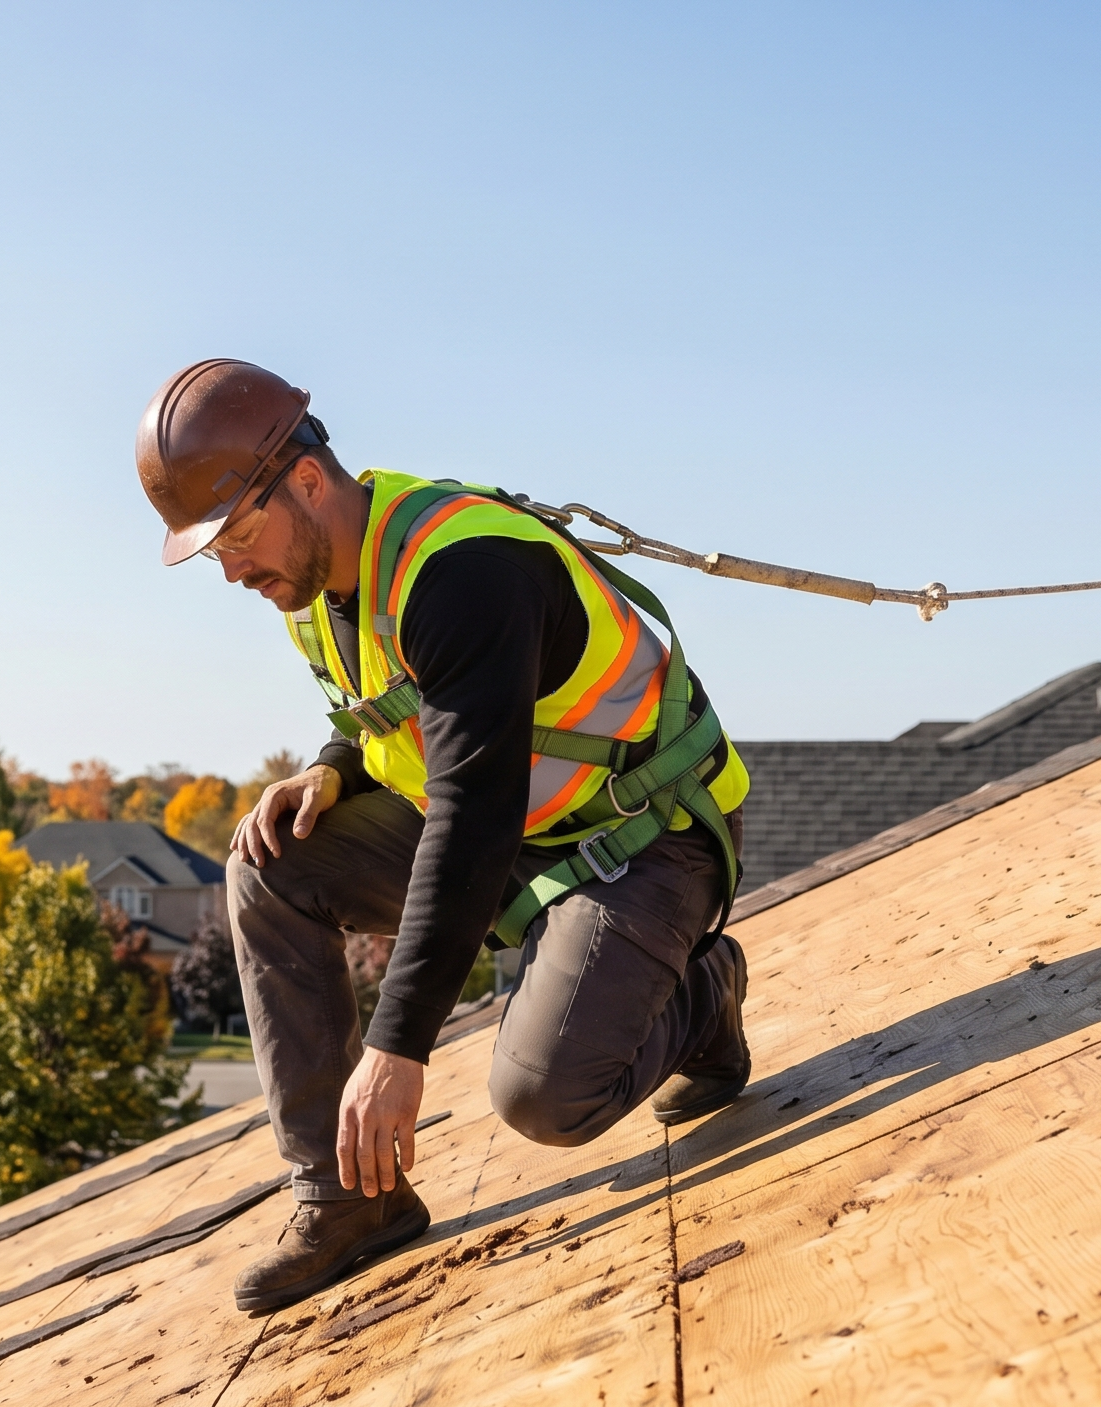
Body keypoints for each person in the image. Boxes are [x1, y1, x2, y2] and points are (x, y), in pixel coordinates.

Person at [136, 358, 757, 1314]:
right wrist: (333, 768)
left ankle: (703, 996)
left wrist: (397, 1049)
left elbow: (473, 813)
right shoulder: (316, 583)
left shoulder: (464, 571)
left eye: (238, 537)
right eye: (213, 551)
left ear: (307, 481)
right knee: (269, 865)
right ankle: (350, 1197)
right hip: (515, 835)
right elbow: (395, 709)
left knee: (547, 1098)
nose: (233, 570)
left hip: (644, 833)